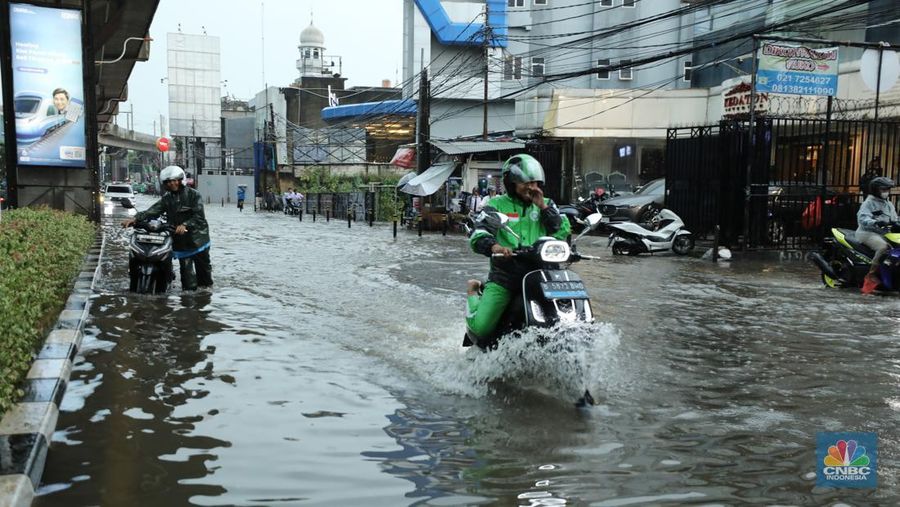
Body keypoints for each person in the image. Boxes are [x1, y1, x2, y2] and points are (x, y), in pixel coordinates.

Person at [465, 154, 571, 341]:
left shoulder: (547, 204)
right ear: (511, 182)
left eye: (534, 182)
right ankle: (474, 292)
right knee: (481, 328)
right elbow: (478, 233)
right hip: (506, 274)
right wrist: (494, 246)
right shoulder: (496, 204)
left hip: (544, 274)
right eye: (525, 183)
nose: (531, 187)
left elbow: (562, 231)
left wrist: (543, 207)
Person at [122, 165, 212, 291]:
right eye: (168, 182)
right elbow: (152, 211)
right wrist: (135, 219)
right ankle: (189, 302)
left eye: (174, 180)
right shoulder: (167, 198)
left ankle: (204, 298)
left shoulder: (194, 195)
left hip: (198, 239)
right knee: (187, 278)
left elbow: (199, 217)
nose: (172, 184)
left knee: (205, 276)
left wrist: (185, 224)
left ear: (181, 180)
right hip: (180, 241)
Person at [856, 176, 898, 294]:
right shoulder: (868, 203)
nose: (886, 192)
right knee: (884, 248)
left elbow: (894, 218)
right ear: (875, 190)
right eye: (883, 189)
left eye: (887, 189)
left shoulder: (888, 204)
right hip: (867, 233)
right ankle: (871, 275)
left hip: (885, 234)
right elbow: (863, 218)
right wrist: (875, 222)